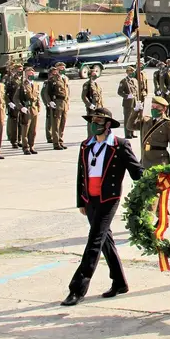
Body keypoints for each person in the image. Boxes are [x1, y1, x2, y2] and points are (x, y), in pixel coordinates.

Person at [62, 108, 142, 307]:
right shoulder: (85, 146)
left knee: (95, 240)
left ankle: (77, 288)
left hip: (109, 198)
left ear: (108, 124)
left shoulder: (119, 145)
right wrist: (81, 201)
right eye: (92, 120)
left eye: (98, 120)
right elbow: (81, 174)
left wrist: (158, 178)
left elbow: (137, 171)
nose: (94, 124)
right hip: (90, 198)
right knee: (105, 240)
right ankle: (120, 282)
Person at [128, 96, 170, 169]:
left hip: (160, 162)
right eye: (153, 106)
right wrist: (136, 111)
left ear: (164, 109)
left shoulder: (168, 124)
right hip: (145, 161)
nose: (154, 109)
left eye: (157, 107)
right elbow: (130, 126)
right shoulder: (146, 121)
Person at [16, 66, 42, 155]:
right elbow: (16, 98)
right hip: (26, 109)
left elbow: (37, 97)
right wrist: (21, 107)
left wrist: (39, 107)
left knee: (33, 130)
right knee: (25, 130)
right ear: (25, 75)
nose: (31, 75)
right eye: (29, 74)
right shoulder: (22, 85)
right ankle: (25, 147)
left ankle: (31, 146)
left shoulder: (35, 84)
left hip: (34, 109)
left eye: (32, 73)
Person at [117, 66, 140, 138]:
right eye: (130, 72)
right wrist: (126, 96)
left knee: (134, 117)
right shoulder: (123, 81)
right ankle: (127, 134)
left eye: (133, 72)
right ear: (127, 72)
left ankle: (132, 132)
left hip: (134, 102)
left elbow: (137, 92)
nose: (132, 73)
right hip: (128, 103)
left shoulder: (135, 80)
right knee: (127, 118)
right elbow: (119, 92)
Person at [82, 68, 104, 137]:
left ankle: (97, 136)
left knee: (98, 122)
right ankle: (91, 137)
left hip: (99, 106)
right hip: (92, 107)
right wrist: (89, 105)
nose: (95, 74)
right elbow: (83, 96)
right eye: (93, 73)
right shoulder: (87, 84)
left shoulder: (96, 84)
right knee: (91, 123)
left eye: (96, 73)